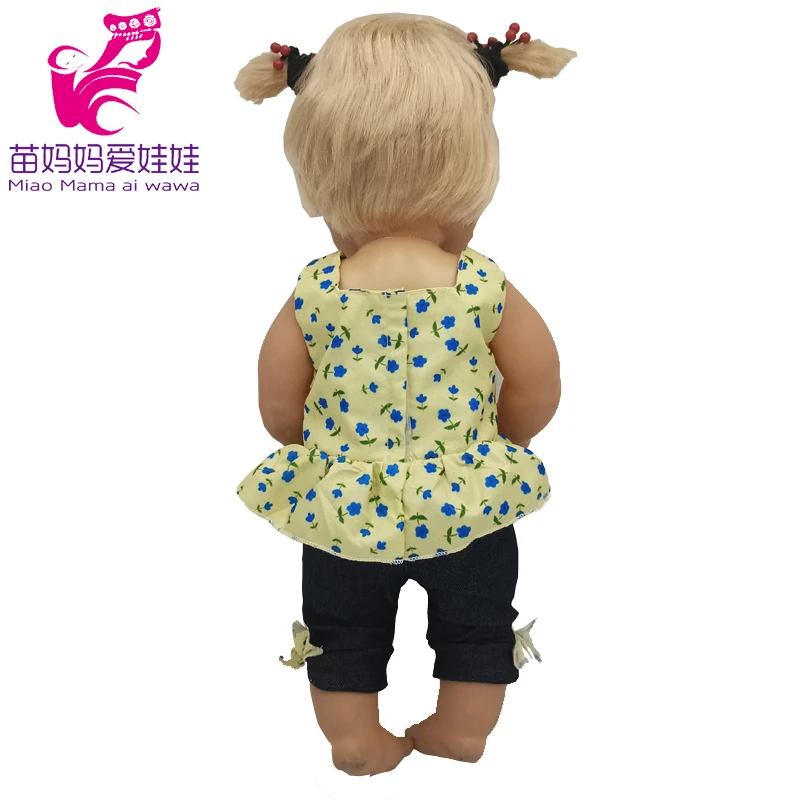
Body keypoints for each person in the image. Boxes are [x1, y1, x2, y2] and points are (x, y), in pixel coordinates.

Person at [234, 13, 575, 776]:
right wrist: (509, 438)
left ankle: (354, 739)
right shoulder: (480, 284)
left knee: (342, 626)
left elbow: (277, 399)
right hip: (468, 496)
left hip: (345, 505)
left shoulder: (318, 290)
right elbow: (539, 380)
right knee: (477, 618)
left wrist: (310, 448)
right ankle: (463, 727)